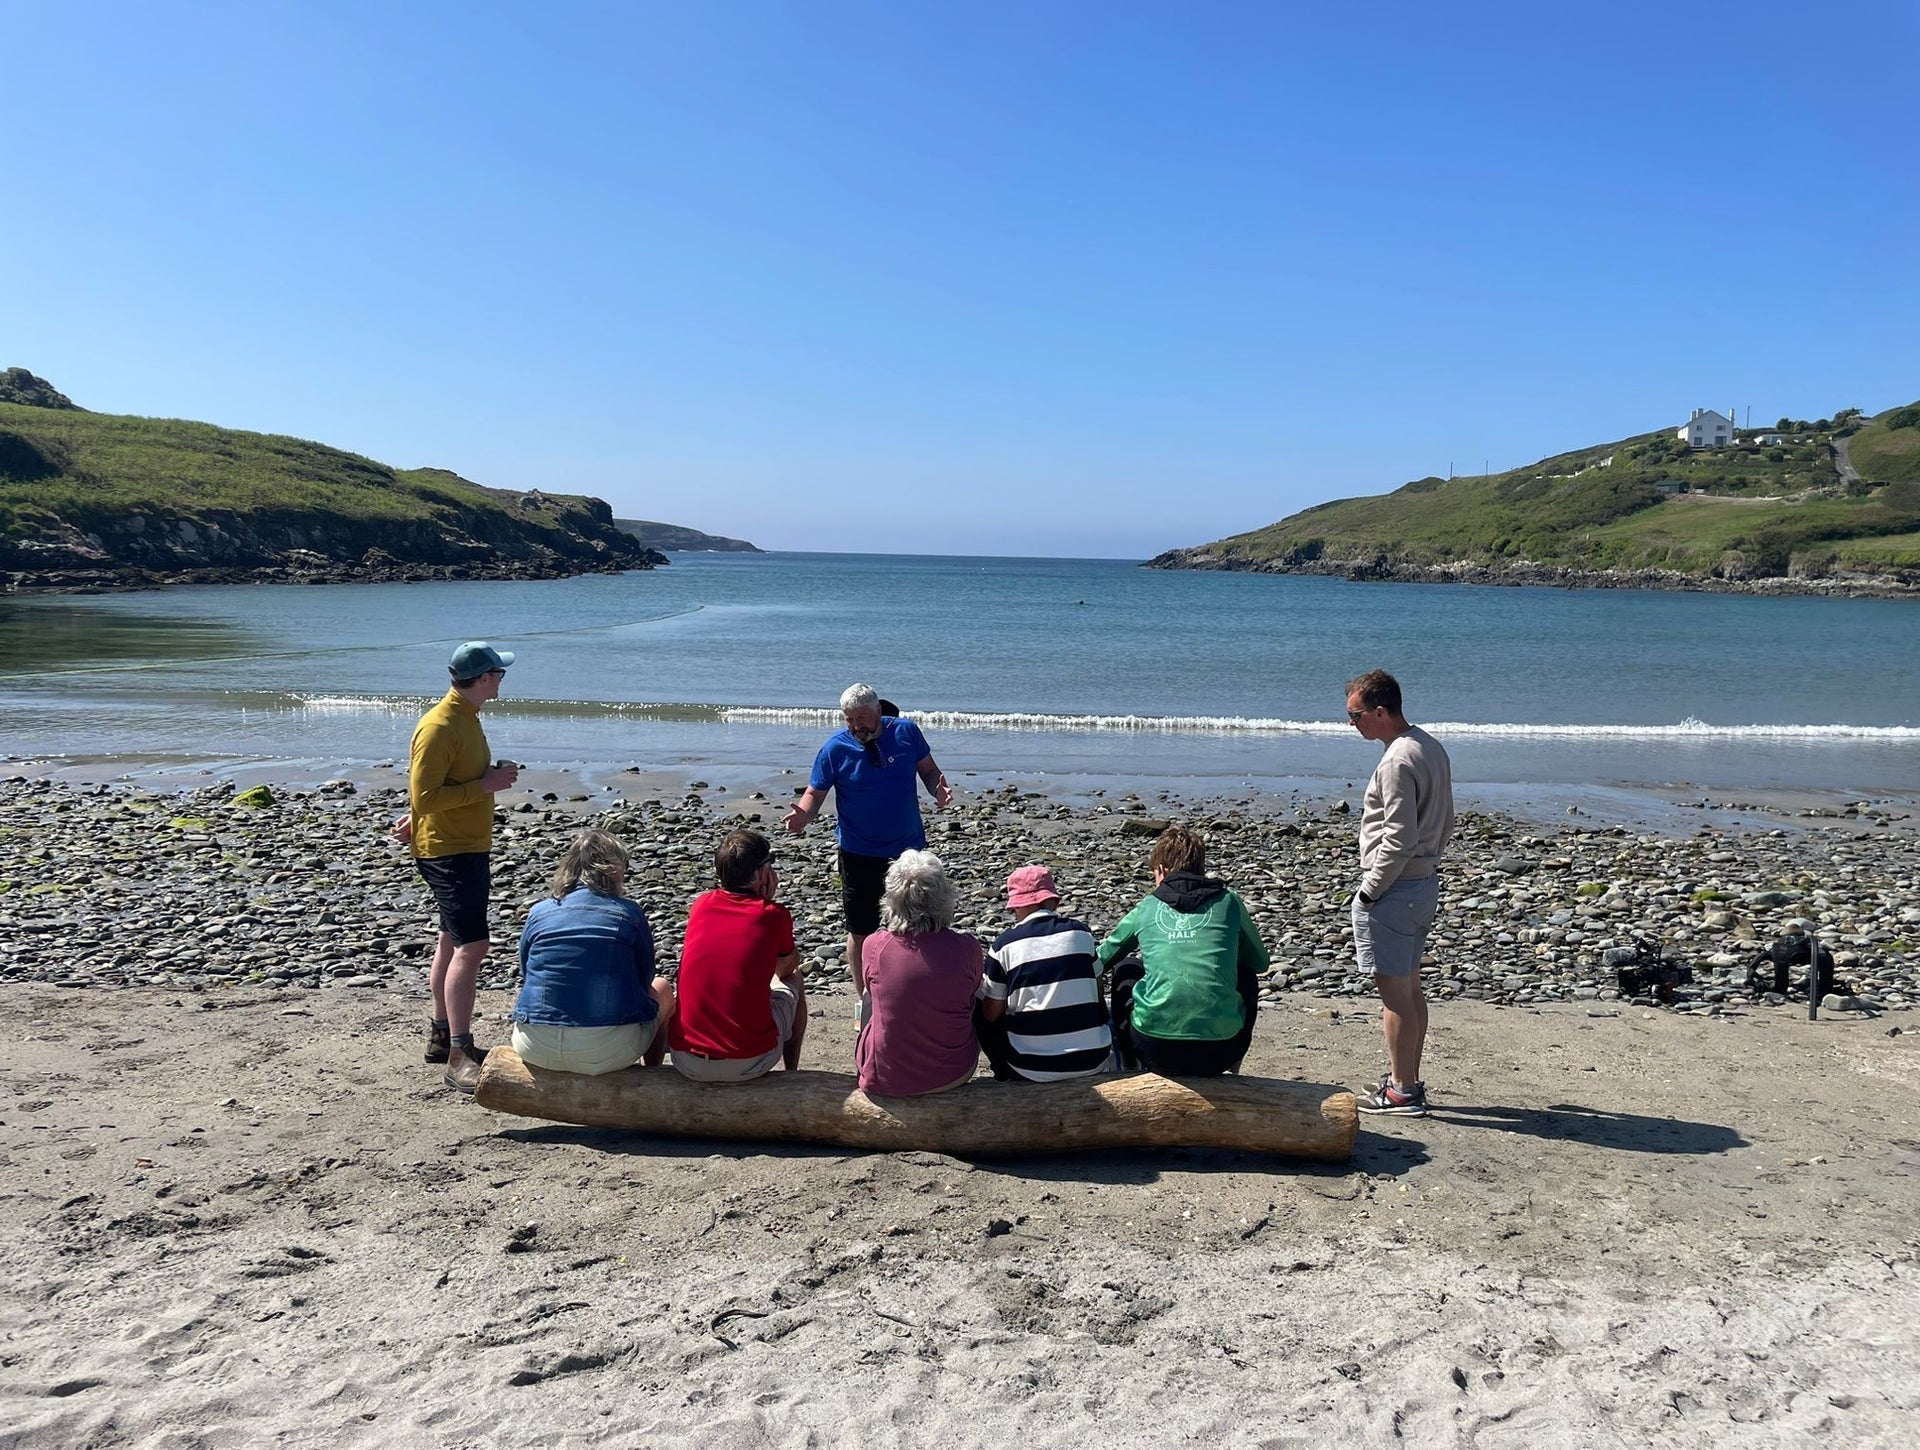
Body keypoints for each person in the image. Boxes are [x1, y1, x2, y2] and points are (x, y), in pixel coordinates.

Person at [395, 640, 520, 1094]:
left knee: (451, 937)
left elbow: (431, 792)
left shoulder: (465, 717)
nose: (503, 679)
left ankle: (442, 1035)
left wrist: (418, 815)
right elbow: (423, 794)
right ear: (484, 678)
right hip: (451, 851)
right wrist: (486, 784)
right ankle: (460, 1054)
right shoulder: (440, 725)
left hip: (459, 843)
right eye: (499, 674)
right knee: (473, 947)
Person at [782, 684, 953, 987]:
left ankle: (912, 984)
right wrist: (804, 815)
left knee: (916, 921)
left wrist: (937, 790)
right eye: (849, 719)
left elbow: (928, 770)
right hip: (858, 851)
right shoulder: (835, 749)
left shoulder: (906, 732)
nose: (856, 726)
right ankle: (864, 998)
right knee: (861, 929)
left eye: (862, 717)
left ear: (878, 711)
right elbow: (814, 792)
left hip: (907, 851)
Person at [1345, 668, 1454, 1117]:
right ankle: (1404, 1078)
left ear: (1380, 710)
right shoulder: (1428, 745)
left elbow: (1398, 838)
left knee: (1395, 993)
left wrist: (1369, 892)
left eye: (1355, 715)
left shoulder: (1396, 761)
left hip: (1397, 885)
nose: (1352, 724)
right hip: (1422, 881)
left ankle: (1402, 1090)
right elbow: (1444, 820)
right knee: (1409, 987)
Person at [1096, 826, 1266, 1078]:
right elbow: (1260, 962)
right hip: (1220, 1050)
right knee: (1247, 977)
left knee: (1127, 967)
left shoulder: (1147, 907)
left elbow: (1101, 959)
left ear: (1161, 871)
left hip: (1154, 1048)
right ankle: (1235, 1064)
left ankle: (1130, 1058)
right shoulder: (1229, 901)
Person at [510, 829, 675, 1074]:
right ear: (614, 871)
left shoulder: (539, 912)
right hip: (604, 1050)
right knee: (662, 989)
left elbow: (526, 971)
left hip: (534, 1044)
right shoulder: (628, 913)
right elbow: (645, 977)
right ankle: (651, 1073)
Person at [669, 829, 809, 1082]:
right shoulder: (773, 915)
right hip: (748, 1062)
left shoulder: (700, 905)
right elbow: (785, 969)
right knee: (795, 980)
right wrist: (766, 903)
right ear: (760, 873)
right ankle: (792, 1074)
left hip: (686, 1059)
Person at [855, 850, 982, 1097]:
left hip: (885, 1079)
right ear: (944, 895)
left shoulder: (874, 946)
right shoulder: (967, 947)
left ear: (891, 898)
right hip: (953, 1073)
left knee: (869, 996)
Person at [977, 865, 1115, 1082]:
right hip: (1093, 1060)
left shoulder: (1004, 946)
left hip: (1030, 1068)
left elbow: (991, 1014)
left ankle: (1002, 1072)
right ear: (1053, 901)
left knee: (982, 1004)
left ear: (1017, 907)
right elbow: (1098, 993)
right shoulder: (1081, 934)